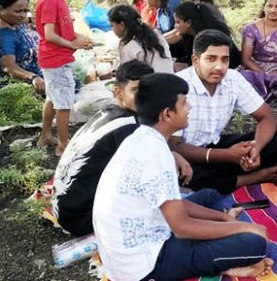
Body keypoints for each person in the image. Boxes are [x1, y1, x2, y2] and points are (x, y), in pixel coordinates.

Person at [93, 73, 273, 281]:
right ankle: (229, 265)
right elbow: (182, 228)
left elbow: (172, 204)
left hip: (151, 233)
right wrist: (241, 227)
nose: (189, 108)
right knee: (255, 243)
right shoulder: (155, 154)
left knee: (208, 196)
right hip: (146, 264)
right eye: (184, 103)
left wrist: (223, 219)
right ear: (167, 114)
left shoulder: (142, 138)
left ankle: (222, 253)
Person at [52, 61, 191, 237]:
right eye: (136, 91)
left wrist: (173, 154)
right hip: (81, 217)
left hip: (65, 207)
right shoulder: (128, 128)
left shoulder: (112, 112)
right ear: (118, 92)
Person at [169, 30, 277, 194]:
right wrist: (226, 155)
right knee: (180, 173)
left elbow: (266, 117)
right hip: (187, 154)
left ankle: (228, 175)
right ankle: (248, 178)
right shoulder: (178, 86)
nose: (219, 67)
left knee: (276, 140)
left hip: (217, 146)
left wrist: (255, 150)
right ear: (195, 60)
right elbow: (174, 145)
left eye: (225, 60)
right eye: (211, 59)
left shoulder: (233, 79)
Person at [35, 0, 94, 156]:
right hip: (56, 59)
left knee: (53, 98)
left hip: (56, 57)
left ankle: (45, 136)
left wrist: (77, 36)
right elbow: (49, 34)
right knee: (64, 104)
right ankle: (63, 145)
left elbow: (63, 27)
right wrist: (72, 45)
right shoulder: (48, 0)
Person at [170, 2, 241, 70]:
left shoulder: (211, 37)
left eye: (178, 22)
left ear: (188, 22)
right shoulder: (189, 37)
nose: (175, 26)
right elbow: (175, 51)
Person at [107, 5, 174, 74]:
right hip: (171, 80)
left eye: (112, 26)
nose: (112, 29)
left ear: (121, 25)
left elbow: (127, 78)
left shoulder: (129, 46)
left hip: (152, 83)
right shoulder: (156, 35)